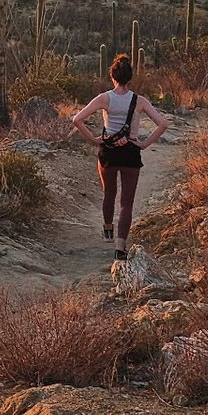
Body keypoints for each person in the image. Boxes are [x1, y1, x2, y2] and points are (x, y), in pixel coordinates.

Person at [69, 54, 170, 261]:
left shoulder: (104, 98)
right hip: (131, 152)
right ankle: (120, 247)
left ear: (113, 77)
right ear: (130, 78)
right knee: (126, 203)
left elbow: (77, 119)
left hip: (108, 151)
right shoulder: (139, 101)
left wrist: (94, 140)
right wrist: (144, 143)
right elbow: (163, 124)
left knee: (109, 193)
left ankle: (108, 227)